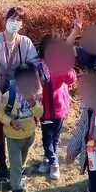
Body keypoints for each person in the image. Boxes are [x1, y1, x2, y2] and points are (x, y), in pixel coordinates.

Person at [0, 6, 38, 184]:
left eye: (18, 20)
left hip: (20, 90)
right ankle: (2, 166)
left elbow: (33, 65)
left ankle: (18, 165)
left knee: (21, 124)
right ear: (5, 20)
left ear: (22, 24)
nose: (14, 23)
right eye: (11, 19)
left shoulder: (26, 42)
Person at [0, 64, 44, 192]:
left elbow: (40, 114)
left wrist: (34, 103)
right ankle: (16, 189)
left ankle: (17, 175)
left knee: (22, 159)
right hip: (13, 136)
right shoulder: (9, 94)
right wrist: (10, 122)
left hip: (30, 133)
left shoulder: (35, 95)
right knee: (15, 162)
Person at [37, 34, 77, 180]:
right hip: (44, 110)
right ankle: (54, 162)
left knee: (55, 138)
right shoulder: (39, 65)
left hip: (59, 108)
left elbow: (71, 78)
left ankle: (48, 159)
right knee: (46, 138)